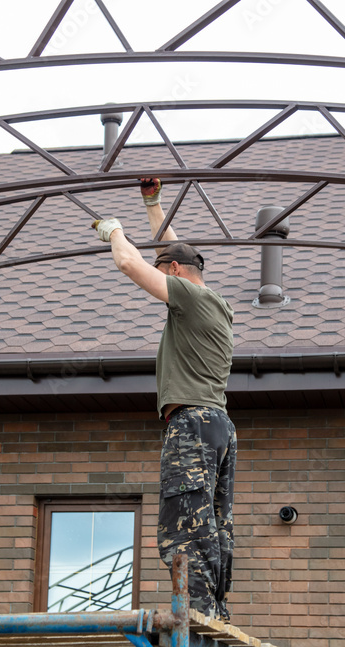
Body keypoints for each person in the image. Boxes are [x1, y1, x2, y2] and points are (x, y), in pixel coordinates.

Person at [91, 178, 237, 621]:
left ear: (174, 273)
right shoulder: (212, 300)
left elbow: (131, 265)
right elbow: (172, 251)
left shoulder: (189, 298)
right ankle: (213, 609)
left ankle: (196, 615)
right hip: (217, 425)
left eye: (165, 268)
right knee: (212, 524)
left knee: (185, 527)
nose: (161, 270)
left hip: (191, 423)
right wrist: (153, 205)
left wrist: (113, 230)